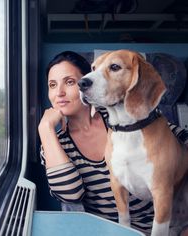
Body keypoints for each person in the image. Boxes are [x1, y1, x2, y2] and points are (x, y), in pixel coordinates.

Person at [38, 50, 188, 235]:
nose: (59, 92)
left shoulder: (133, 120)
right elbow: (70, 194)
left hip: (161, 224)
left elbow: (176, 139)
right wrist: (45, 128)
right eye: (52, 85)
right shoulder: (54, 143)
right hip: (108, 230)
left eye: (70, 82)